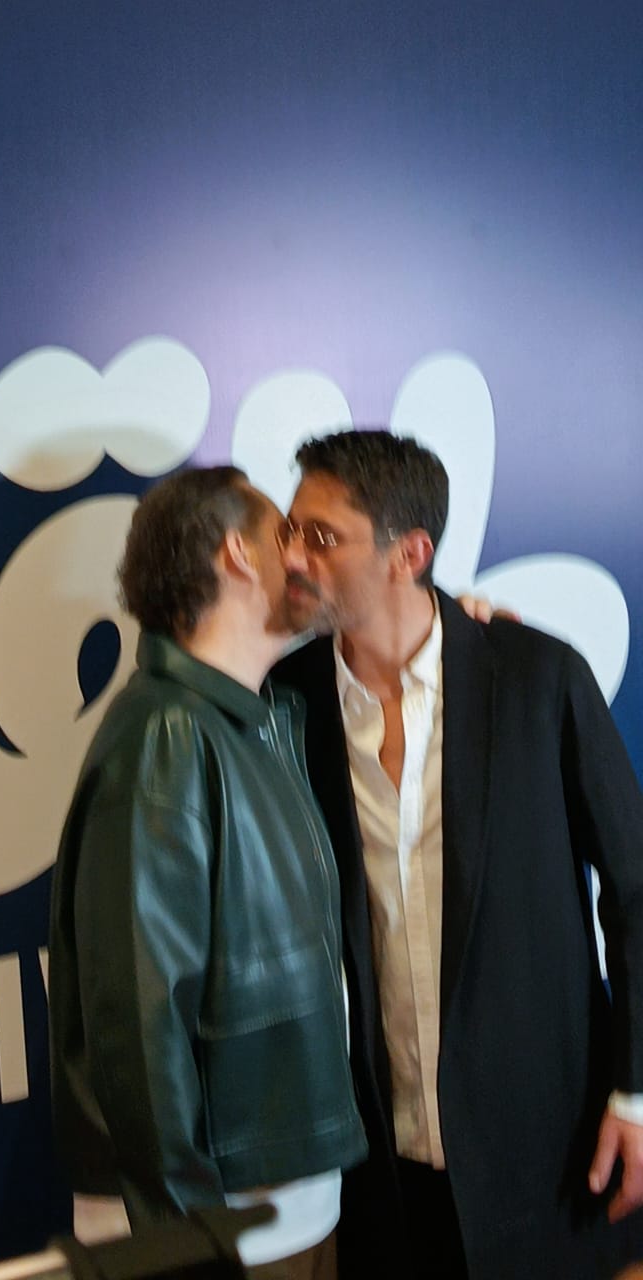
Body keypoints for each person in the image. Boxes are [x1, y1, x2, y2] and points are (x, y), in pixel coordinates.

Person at [272, 429, 643, 1280]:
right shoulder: (286, 705)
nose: (293, 555)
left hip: (549, 1155)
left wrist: (636, 1092)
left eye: (321, 536)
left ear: (409, 554)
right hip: (379, 1176)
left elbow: (635, 889)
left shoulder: (537, 678)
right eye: (290, 530)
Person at [48, 465, 368, 1279]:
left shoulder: (254, 721)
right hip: (219, 1230)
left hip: (282, 1209)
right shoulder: (167, 737)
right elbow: (136, 1022)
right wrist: (185, 1241)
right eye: (287, 535)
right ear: (237, 555)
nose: (305, 559)